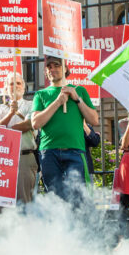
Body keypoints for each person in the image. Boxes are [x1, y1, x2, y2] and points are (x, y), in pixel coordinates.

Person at [31, 56, 99, 199]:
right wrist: (57, 102)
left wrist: (76, 99)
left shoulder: (80, 90)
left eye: (56, 65)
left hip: (75, 151)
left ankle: (77, 222)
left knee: (78, 198)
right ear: (46, 72)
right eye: (49, 67)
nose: (52, 69)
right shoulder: (40, 94)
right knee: (55, 199)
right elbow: (36, 123)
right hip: (49, 152)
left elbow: (94, 120)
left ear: (65, 68)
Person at [0, 71, 38, 202]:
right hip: (3, 159)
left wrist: (4, 129)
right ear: (6, 88)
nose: (15, 86)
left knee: (24, 203)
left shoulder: (32, 105)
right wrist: (10, 114)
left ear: (24, 87)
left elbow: (27, 125)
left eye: (18, 83)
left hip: (23, 157)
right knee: (2, 205)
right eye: (11, 84)